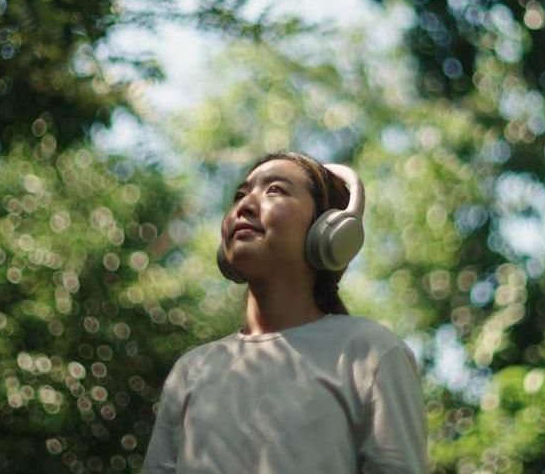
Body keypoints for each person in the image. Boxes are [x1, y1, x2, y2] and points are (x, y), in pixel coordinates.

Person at [141, 151, 428, 473]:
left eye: (275, 190)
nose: (245, 205)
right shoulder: (191, 370)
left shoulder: (368, 352)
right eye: (240, 194)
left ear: (328, 228)